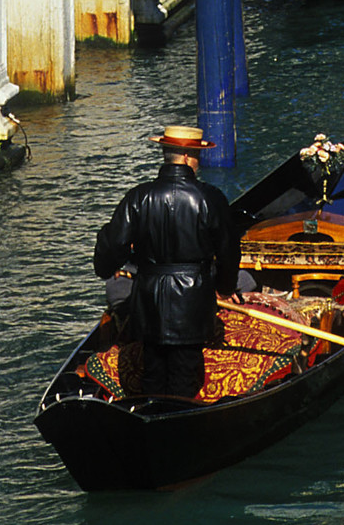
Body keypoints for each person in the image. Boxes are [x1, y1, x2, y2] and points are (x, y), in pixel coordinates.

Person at [94, 121, 241, 402]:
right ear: (187, 157)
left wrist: (105, 267)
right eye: (197, 154)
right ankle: (178, 424)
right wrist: (224, 287)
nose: (198, 161)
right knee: (185, 375)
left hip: (149, 297)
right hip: (192, 299)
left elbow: (114, 243)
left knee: (152, 371)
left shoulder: (138, 196)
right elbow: (228, 250)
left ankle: (150, 420)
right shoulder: (210, 198)